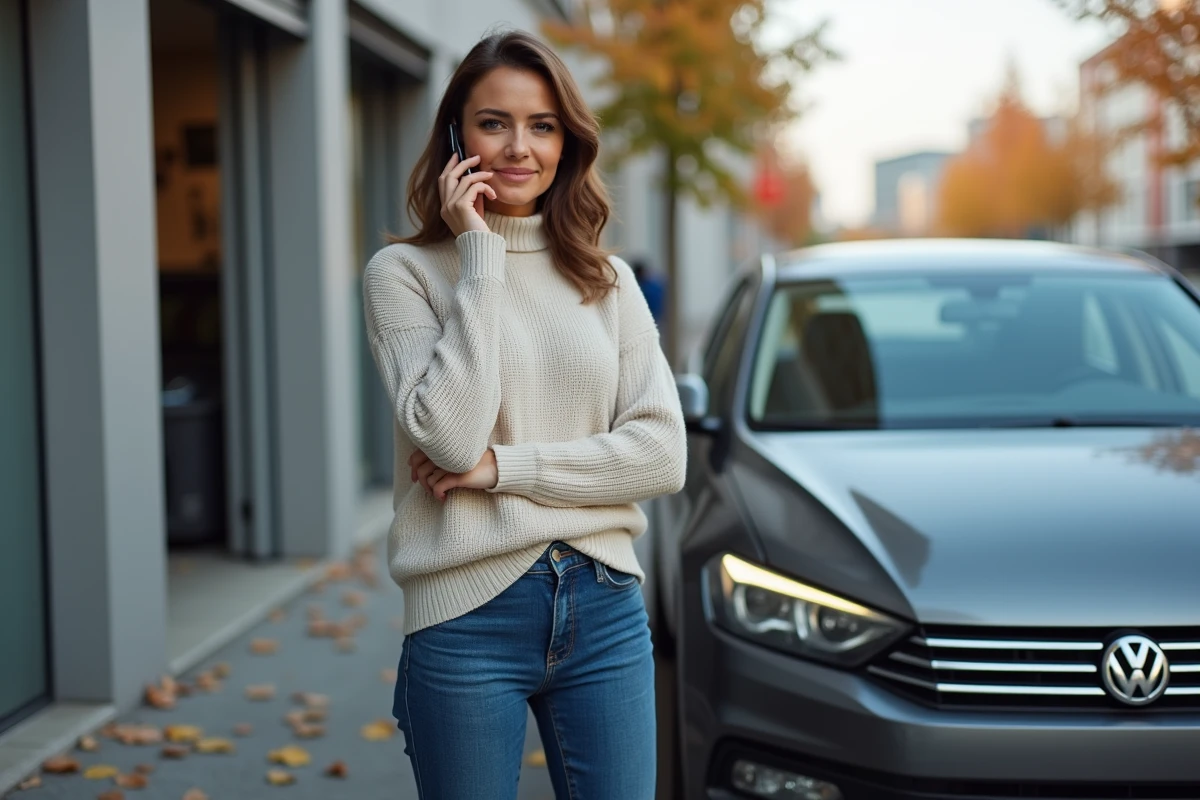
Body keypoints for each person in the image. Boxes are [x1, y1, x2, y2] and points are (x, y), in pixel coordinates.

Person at [361, 29, 687, 800]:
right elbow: (447, 433)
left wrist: (502, 470)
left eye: (542, 125)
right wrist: (480, 254)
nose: (519, 148)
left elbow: (662, 455)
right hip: (465, 615)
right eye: (493, 122)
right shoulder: (403, 274)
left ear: (566, 140)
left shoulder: (604, 277)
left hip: (606, 607)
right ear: (454, 135)